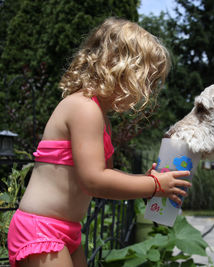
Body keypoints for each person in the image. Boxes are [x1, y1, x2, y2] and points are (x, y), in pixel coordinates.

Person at [7, 17, 191, 267]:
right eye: (144, 79)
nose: (145, 92)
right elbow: (93, 181)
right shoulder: (84, 108)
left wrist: (146, 183)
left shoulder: (101, 118)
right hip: (42, 229)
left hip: (68, 230)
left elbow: (104, 177)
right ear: (118, 67)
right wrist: (153, 185)